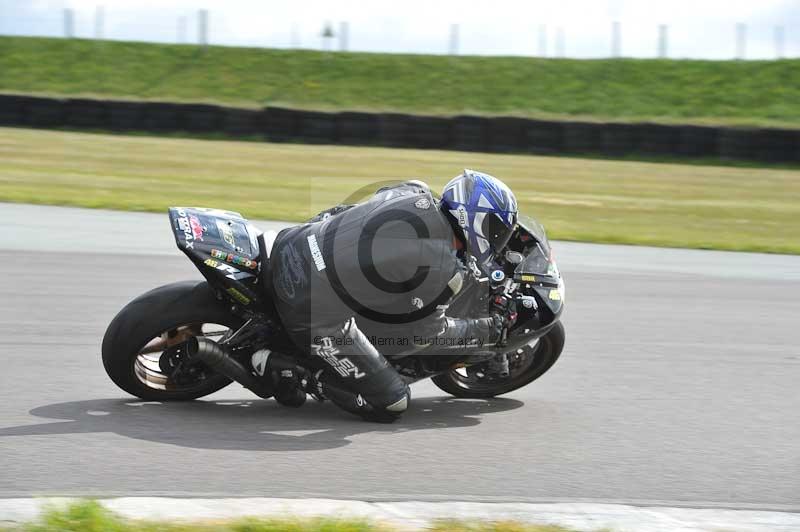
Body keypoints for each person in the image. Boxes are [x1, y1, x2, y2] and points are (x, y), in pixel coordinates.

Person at [268, 169, 519, 422]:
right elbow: (423, 335)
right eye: (495, 228)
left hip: (292, 241)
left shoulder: (411, 190)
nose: (498, 237)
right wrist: (486, 329)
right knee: (393, 401)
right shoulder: (441, 268)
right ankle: (297, 375)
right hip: (308, 308)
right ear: (476, 220)